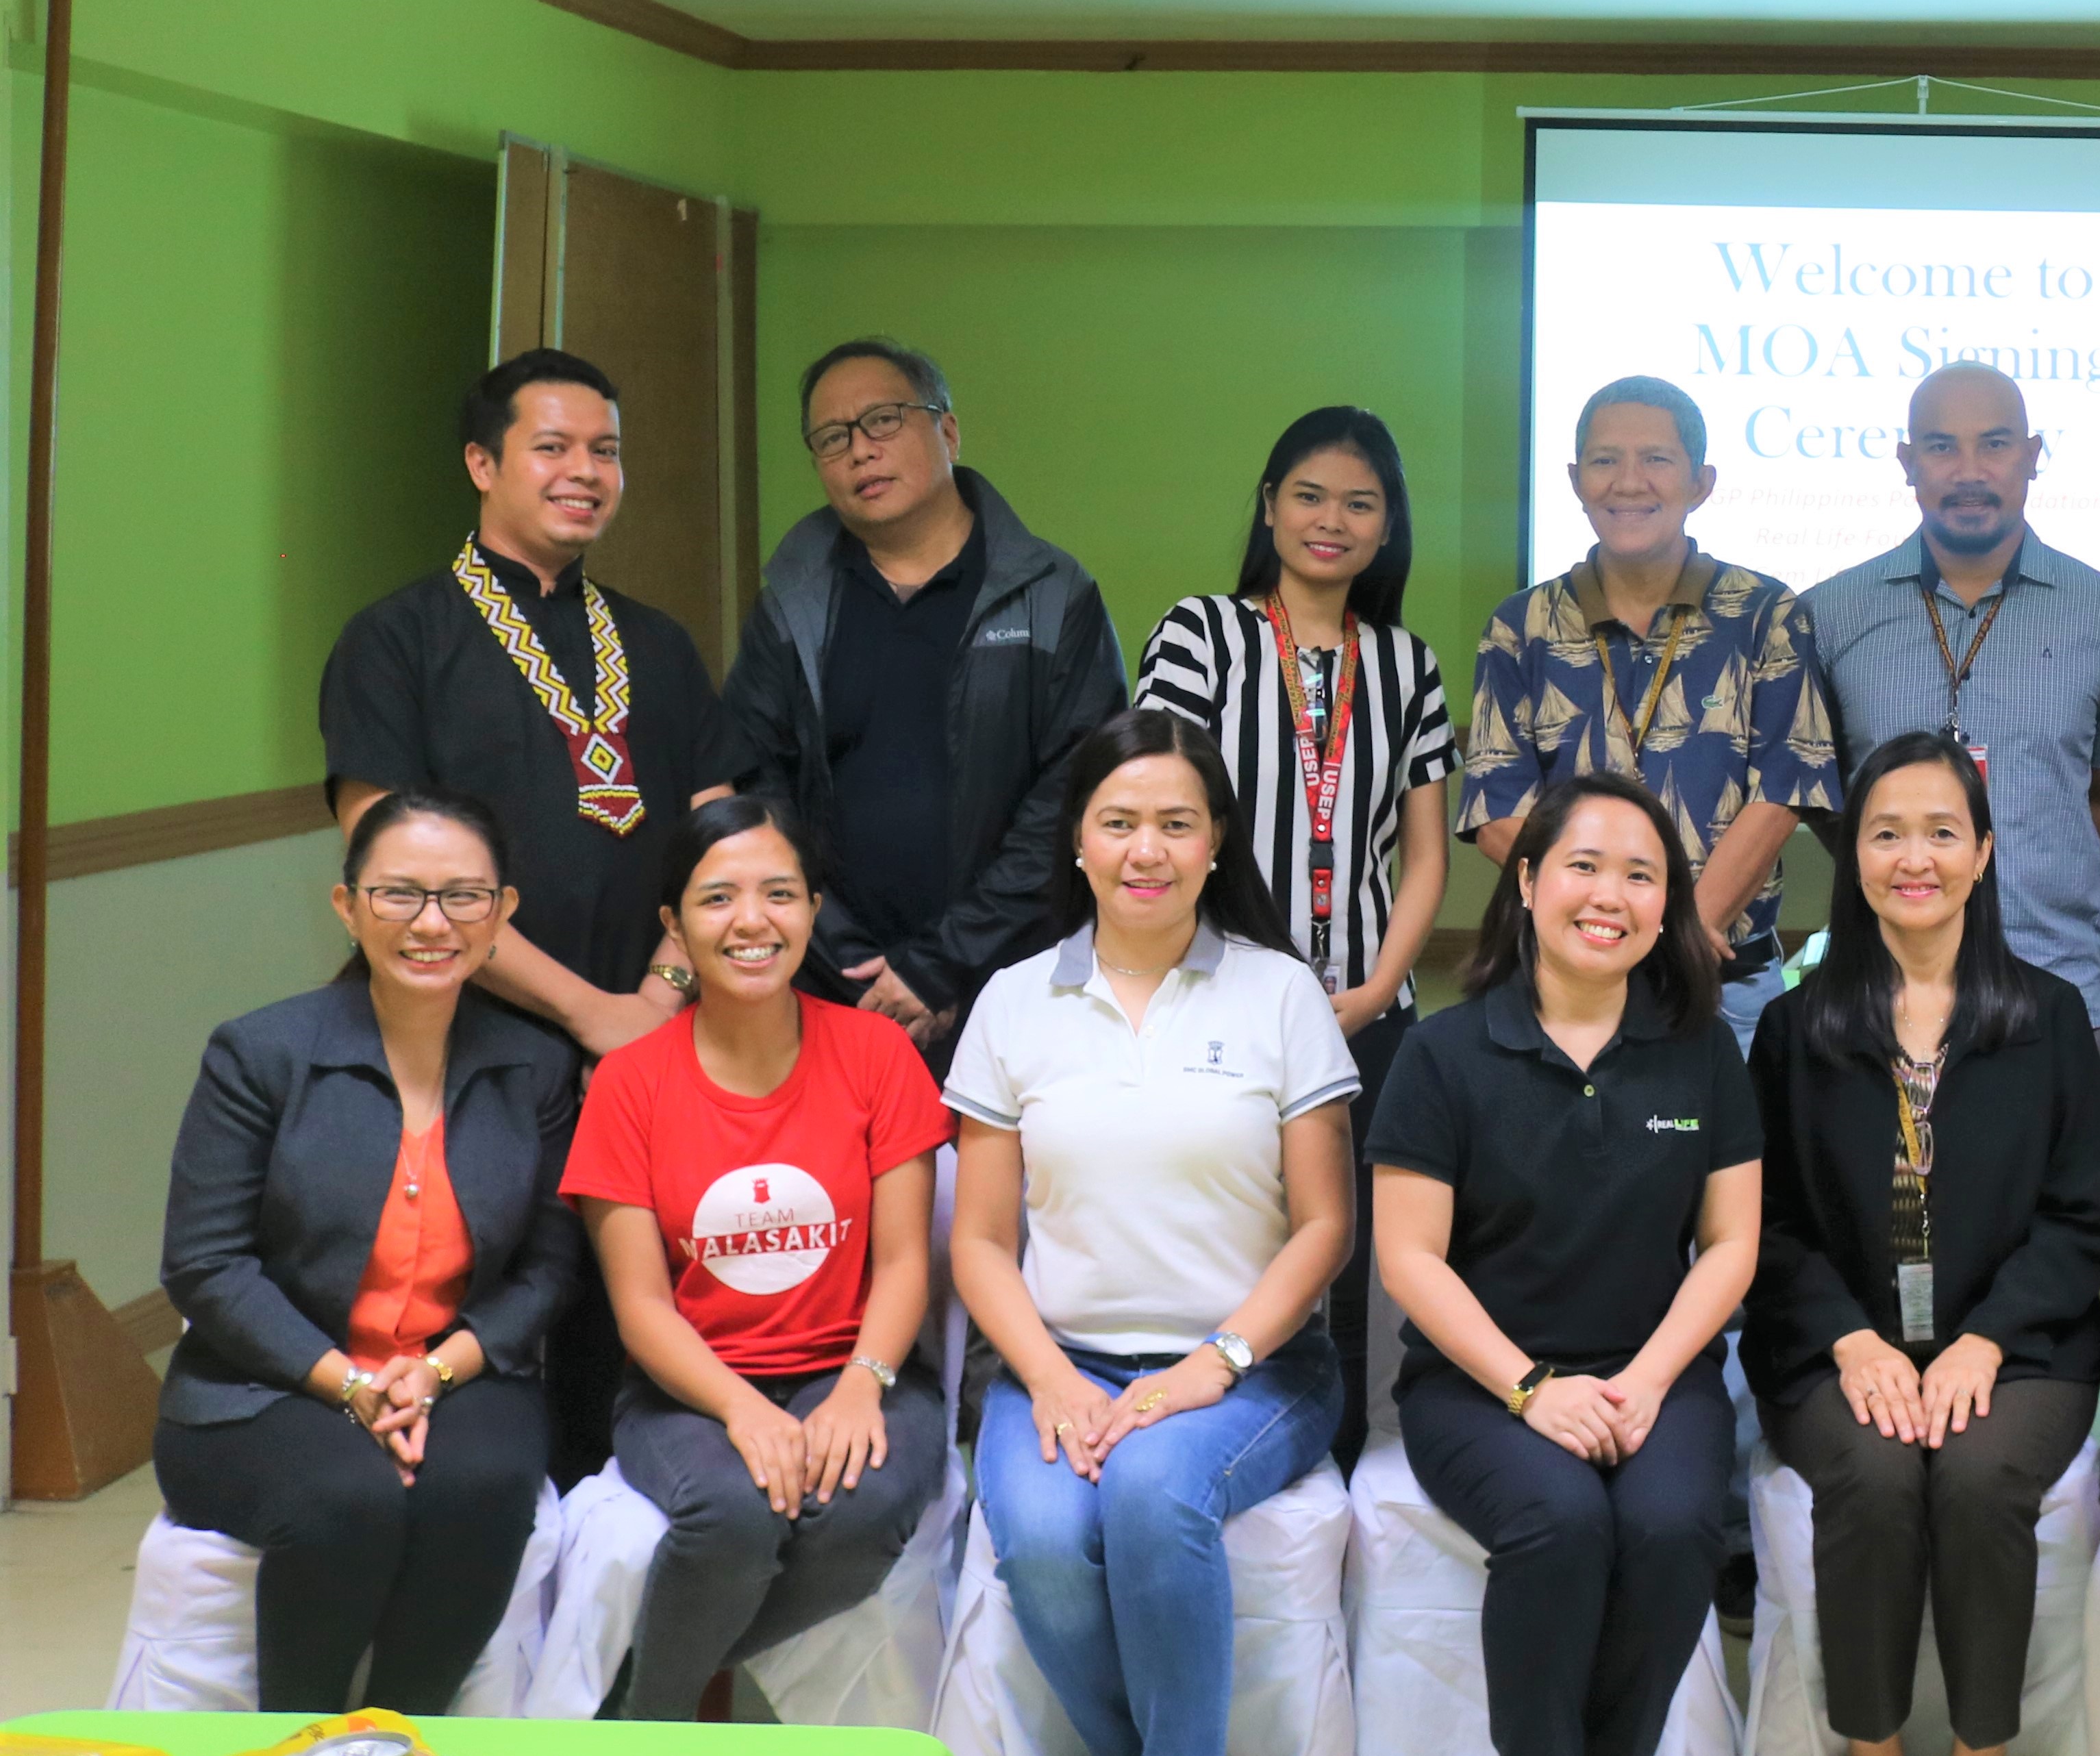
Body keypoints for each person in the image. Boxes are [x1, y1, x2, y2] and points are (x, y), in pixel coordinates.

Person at [945, 711, 1360, 1756]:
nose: (1147, 848)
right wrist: (1051, 1375)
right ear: (1076, 840)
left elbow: (1326, 1223)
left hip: (1254, 1369)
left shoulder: (1280, 993)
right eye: (1118, 820)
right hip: (1063, 1355)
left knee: (1148, 1486)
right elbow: (980, 1239)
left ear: (1217, 841)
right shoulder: (1014, 1003)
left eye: (1177, 822)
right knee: (1034, 1531)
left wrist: (1212, 1362)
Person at [319, 348, 740, 1483]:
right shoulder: (397, 638)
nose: (583, 471)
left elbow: (719, 843)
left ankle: (611, 1614)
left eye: (603, 450)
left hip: (652, 1046)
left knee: (626, 1328)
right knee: (471, 1324)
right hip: (466, 1054)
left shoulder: (656, 641)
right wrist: (587, 1008)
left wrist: (657, 996)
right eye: (551, 446)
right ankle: (466, 1593)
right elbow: (393, 881)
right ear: (481, 461)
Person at [1369, 771, 1761, 1756]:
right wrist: (1533, 1388)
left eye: (1642, 874)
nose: (1611, 893)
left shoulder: (1699, 1050)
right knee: (1557, 1520)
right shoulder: (1444, 1054)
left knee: (1677, 1521)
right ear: (1530, 879)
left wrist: (1641, 1379)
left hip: (1654, 1368)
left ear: (1666, 906)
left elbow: (1729, 1242)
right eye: (1584, 864)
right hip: (1477, 1381)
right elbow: (1410, 1256)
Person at [1743, 733, 2100, 1756]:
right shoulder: (1795, 1027)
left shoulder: (2048, 1017)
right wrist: (1849, 1337)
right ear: (1852, 855)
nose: (1915, 856)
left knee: (1976, 1471)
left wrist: (1984, 1340)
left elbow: (2079, 1218)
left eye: (1941, 831)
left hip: (2018, 1349)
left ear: (1984, 852)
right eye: (1886, 831)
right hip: (1833, 1345)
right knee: (1871, 1473)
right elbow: (1768, 1225)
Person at [150, 789, 582, 1712]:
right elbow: (205, 1265)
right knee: (348, 1502)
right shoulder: (260, 1054)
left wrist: (433, 1373)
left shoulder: (535, 1066)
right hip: (263, 1385)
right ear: (347, 907)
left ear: (504, 914)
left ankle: (399, 1750)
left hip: (457, 1372)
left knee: (484, 1487)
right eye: (400, 895)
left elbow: (550, 1268)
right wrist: (351, 1383)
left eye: (465, 896)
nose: (433, 923)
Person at [562, 796, 951, 1721]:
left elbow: (903, 1265)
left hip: (859, 1368)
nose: (751, 922)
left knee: (854, 1510)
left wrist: (862, 1385)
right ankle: (662, 1726)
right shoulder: (629, 1082)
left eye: (780, 894)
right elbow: (642, 1307)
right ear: (675, 926)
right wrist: (741, 1408)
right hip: (688, 1386)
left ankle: (636, 1713)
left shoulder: (876, 1054)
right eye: (717, 898)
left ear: (813, 911)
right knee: (733, 1516)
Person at [1135, 405, 1458, 1462]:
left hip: (1366, 1015)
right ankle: (1216, 1429)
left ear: (1387, 526)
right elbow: (1160, 814)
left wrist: (1376, 991)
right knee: (1229, 1231)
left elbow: (1425, 858)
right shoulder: (1203, 633)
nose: (1332, 521)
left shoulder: (1407, 665)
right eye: (1309, 495)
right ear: (1270, 507)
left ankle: (1353, 1452)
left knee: (1359, 1247)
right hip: (1214, 997)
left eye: (1360, 503)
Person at [725, 337, 1132, 1064]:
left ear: (946, 430)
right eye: (831, 437)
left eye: (883, 420)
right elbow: (758, 791)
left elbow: (1079, 795)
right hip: (833, 989)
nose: (859, 451)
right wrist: (856, 965)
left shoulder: (1052, 595)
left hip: (1019, 985)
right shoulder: (791, 604)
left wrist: (940, 961)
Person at [1460, 375, 1840, 1053]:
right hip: (1563, 981)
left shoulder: (1765, 615)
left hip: (1726, 987)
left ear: (1702, 481)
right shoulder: (1521, 626)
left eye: (1657, 459)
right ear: (1576, 480)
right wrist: (1595, 926)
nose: (1629, 482)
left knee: (1729, 1160)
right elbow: (1495, 808)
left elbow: (1786, 790)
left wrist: (1678, 936)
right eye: (1606, 461)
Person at [1805, 364, 2100, 1054]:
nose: (1968, 471)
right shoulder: (1828, 614)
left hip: (2056, 988)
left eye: (1994, 445)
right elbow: (1821, 797)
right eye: (1940, 447)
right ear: (1906, 462)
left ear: (2032, 455)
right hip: (1879, 989)